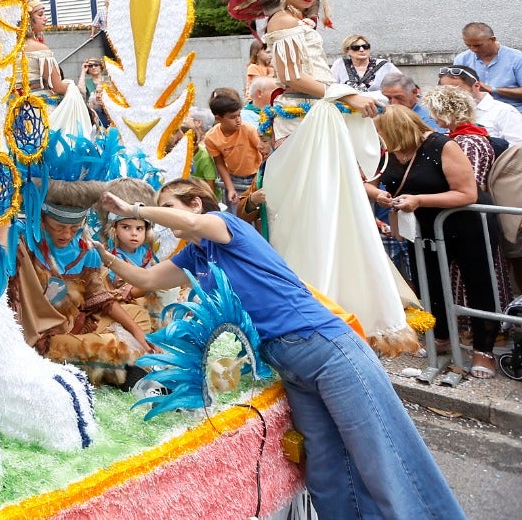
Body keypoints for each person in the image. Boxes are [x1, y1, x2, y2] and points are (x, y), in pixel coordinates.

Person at [97, 177, 465, 519]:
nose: (165, 216)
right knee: (324, 466)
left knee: (382, 451)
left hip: (324, 345)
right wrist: (103, 255)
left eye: (169, 205)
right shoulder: (195, 256)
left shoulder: (227, 226)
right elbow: (145, 278)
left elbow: (195, 225)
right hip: (289, 363)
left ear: (195, 204)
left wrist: (136, 210)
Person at [216, 0, 416, 354]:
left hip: (317, 118)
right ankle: (312, 299)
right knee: (312, 206)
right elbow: (293, 79)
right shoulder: (283, 24)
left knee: (330, 205)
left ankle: (332, 300)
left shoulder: (298, 23)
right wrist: (349, 94)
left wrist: (347, 99)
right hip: (304, 123)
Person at [368, 104, 499, 379]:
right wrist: (380, 196)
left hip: (467, 225)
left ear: (397, 131)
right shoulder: (390, 152)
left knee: (478, 284)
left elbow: (467, 193)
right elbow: (368, 182)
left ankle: (483, 350)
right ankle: (441, 336)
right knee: (430, 284)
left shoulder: (443, 146)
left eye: (383, 134)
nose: (380, 140)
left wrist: (419, 200)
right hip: (423, 228)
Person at [9, 197, 153, 385]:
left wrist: (136, 332)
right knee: (106, 345)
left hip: (76, 325)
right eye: (59, 227)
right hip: (42, 337)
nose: (67, 234)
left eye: (74, 227)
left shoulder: (87, 250)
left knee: (138, 316)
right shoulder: (24, 241)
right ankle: (124, 369)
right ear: (42, 221)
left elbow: (102, 299)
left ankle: (113, 362)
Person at [422, 85, 515, 312]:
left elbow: (470, 180)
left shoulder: (467, 141)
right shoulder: (471, 135)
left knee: (476, 275)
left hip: (471, 212)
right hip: (471, 210)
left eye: (435, 111)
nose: (432, 117)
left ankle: (485, 328)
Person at [202, 87, 263, 211]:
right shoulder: (211, 138)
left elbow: (264, 151)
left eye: (239, 115)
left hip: (256, 176)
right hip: (234, 178)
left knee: (259, 215)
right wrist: (230, 188)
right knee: (238, 214)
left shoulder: (248, 129)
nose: (238, 120)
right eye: (232, 117)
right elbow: (219, 163)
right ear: (218, 118)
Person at [437, 64, 522, 143]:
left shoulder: (504, 111)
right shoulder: (446, 113)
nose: (450, 95)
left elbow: (517, 147)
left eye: (456, 90)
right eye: (445, 91)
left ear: (477, 86)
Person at [453, 21, 522, 116]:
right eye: (468, 46)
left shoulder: (517, 58)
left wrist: (493, 90)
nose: (473, 49)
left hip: (513, 112)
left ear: (492, 39)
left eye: (478, 45)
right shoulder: (462, 59)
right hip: (475, 113)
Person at [330, 34, 402, 93]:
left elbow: (403, 84)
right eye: (356, 47)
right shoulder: (340, 64)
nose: (362, 50)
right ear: (347, 51)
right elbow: (330, 88)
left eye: (365, 46)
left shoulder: (385, 65)